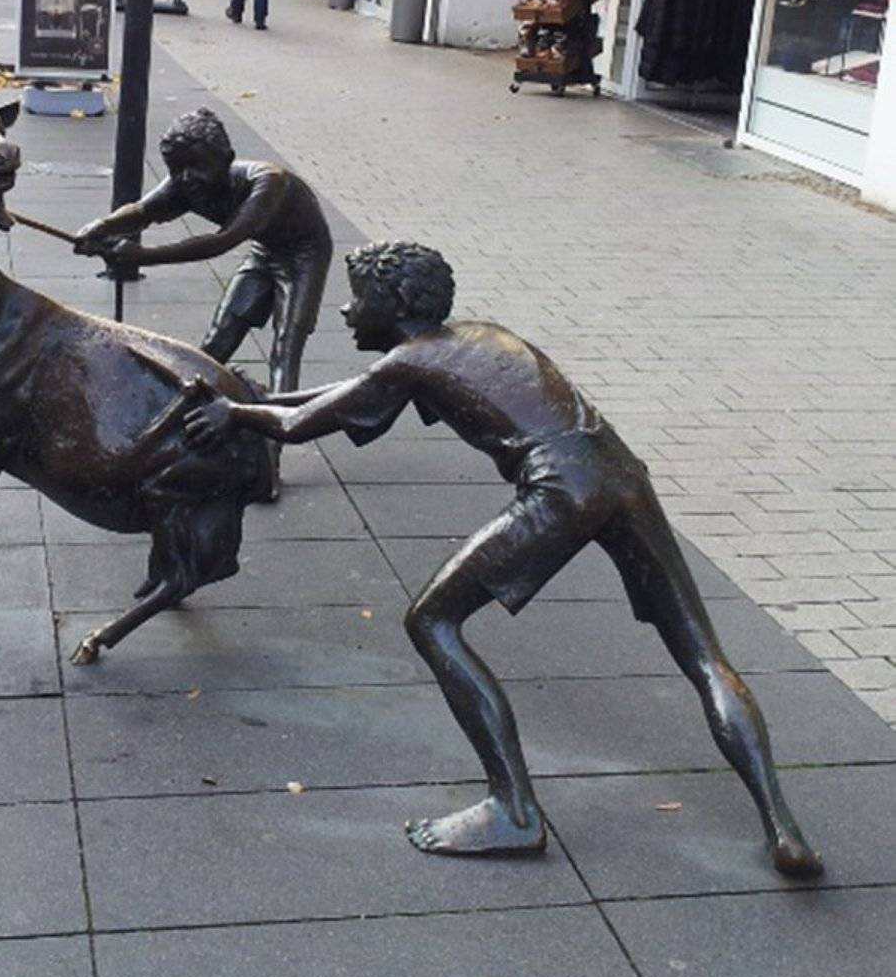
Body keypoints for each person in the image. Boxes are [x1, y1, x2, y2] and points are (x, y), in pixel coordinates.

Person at [184, 240, 824, 880]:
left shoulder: (407, 362)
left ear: (397, 302)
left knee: (432, 621)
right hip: (623, 475)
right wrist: (246, 402)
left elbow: (301, 424)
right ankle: (783, 828)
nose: (348, 312)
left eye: (359, 298)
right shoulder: (476, 336)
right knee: (703, 654)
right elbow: (350, 393)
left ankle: (514, 809)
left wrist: (233, 413)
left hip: (562, 488)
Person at [74, 105, 333, 400]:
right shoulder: (185, 182)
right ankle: (182, 402)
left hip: (303, 254)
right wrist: (102, 226)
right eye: (176, 169)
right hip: (265, 250)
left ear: (227, 159)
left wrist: (145, 256)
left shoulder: (268, 183)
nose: (185, 178)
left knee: (286, 345)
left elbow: (222, 241)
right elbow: (143, 211)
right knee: (220, 336)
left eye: (197, 166)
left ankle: (283, 419)